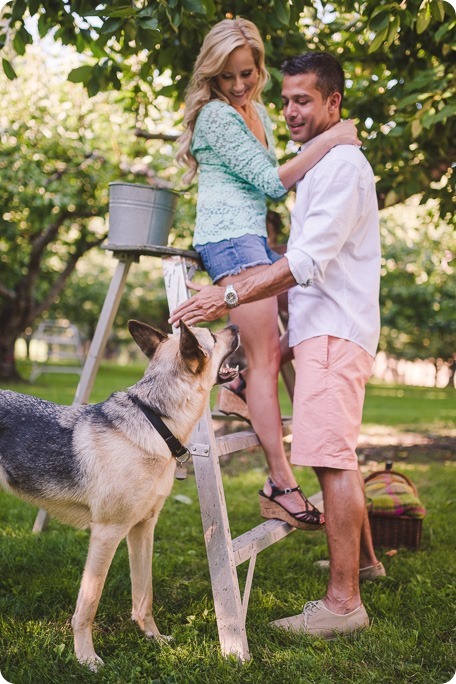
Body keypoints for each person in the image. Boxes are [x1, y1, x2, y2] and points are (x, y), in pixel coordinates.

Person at [170, 51, 385, 637]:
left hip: (335, 335)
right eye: (285, 100)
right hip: (324, 329)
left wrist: (229, 297)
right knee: (335, 455)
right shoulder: (323, 166)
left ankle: (344, 603)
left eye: (304, 101)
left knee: (330, 463)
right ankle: (360, 565)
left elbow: (307, 262)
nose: (289, 111)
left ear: (333, 103)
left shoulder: (340, 166)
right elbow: (311, 267)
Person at [176, 18, 360, 530]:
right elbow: (272, 183)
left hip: (251, 239)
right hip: (230, 240)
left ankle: (233, 385)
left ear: (259, 67)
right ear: (213, 75)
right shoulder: (216, 116)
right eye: (228, 76)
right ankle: (280, 482)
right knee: (265, 358)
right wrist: (336, 137)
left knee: (273, 350)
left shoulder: (255, 111)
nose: (239, 85)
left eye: (248, 73)